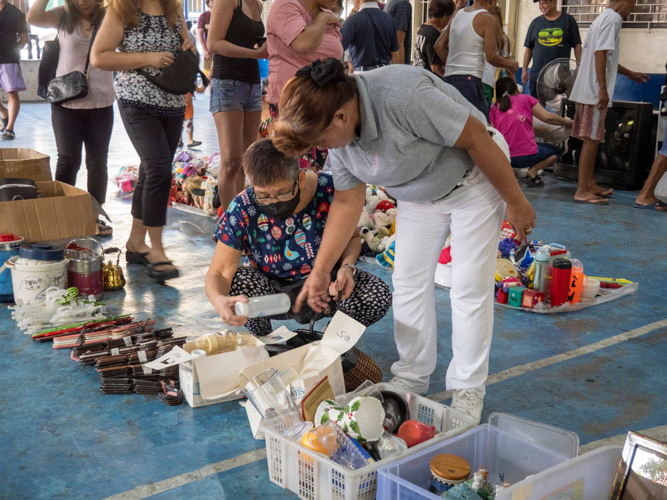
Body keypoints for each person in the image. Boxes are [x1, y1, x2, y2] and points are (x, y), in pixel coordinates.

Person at [273, 59, 537, 422]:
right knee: (408, 282)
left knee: (467, 288)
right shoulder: (341, 139)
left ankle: (467, 389)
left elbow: (477, 138)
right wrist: (320, 272)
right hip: (417, 193)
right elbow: (348, 202)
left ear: (340, 118)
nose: (321, 149)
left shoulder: (402, 95)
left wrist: (515, 200)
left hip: (474, 180)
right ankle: (412, 376)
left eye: (319, 140)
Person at [206, 138, 392, 336]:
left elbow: (353, 238)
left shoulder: (330, 191)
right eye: (263, 195)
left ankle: (332, 340)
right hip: (272, 296)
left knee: (376, 293)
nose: (273, 202)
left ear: (300, 179)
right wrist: (219, 300)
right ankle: (264, 342)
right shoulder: (243, 207)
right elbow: (218, 272)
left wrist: (347, 267)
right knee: (238, 282)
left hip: (324, 290)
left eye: (282, 193)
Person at [91, 0, 196, 281]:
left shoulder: (174, 9)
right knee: (160, 166)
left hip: (172, 100)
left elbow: (187, 44)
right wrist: (148, 58)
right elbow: (99, 56)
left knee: (152, 170)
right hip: (136, 99)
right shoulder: (121, 10)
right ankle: (157, 249)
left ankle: (137, 244)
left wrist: (189, 46)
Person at [27, 0, 115, 236]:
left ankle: (95, 217)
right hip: (66, 102)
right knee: (68, 160)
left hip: (102, 101)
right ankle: (61, 213)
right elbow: (32, 18)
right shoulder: (62, 15)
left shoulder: (112, 16)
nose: (82, 2)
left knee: (97, 163)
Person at [568, 0, 648, 205]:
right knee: (591, 140)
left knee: (592, 138)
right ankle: (582, 190)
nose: (633, 10)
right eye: (633, 5)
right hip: (594, 92)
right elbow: (600, 54)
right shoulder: (613, 19)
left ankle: (589, 184)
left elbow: (605, 56)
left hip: (587, 89)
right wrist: (602, 89)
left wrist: (630, 74)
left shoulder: (602, 18)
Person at [265, 0, 343, 170]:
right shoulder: (286, 4)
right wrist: (322, 19)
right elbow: (304, 44)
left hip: (323, 102)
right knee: (295, 171)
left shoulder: (324, 11)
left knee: (318, 170)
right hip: (293, 104)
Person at [207, 0, 266, 213]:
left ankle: (238, 220)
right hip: (227, 83)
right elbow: (213, 44)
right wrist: (256, 54)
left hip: (252, 84)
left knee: (245, 160)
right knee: (231, 160)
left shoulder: (258, 5)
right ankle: (230, 225)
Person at [435, 0, 519, 119]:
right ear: (492, 1)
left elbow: (438, 46)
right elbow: (491, 57)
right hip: (469, 80)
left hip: (449, 78)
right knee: (480, 124)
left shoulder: (457, 15)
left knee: (453, 121)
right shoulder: (488, 19)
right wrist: (511, 64)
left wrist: (453, 65)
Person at [490, 77, 573, 187]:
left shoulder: (493, 108)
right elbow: (548, 117)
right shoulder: (525, 99)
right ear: (516, 89)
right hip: (526, 156)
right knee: (557, 152)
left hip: (504, 156)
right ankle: (533, 171)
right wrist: (570, 123)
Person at [522, 0, 581, 99]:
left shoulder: (568, 21)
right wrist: (524, 69)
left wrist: (579, 65)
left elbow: (577, 45)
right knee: (538, 109)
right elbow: (529, 49)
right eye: (539, 4)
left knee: (560, 109)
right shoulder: (535, 23)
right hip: (537, 76)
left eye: (544, 3)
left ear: (554, 1)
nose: (541, 6)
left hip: (561, 78)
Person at [342, 0, 400, 72]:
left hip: (362, 75)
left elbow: (339, 49)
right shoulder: (389, 19)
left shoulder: (352, 20)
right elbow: (395, 53)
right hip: (385, 73)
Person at [0, 0, 29, 141]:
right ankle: (4, 112)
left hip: (8, 59)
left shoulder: (17, 13)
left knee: (12, 92)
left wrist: (12, 52)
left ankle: (10, 128)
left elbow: (24, 39)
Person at [413, 0, 455, 77]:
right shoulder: (434, 33)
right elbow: (436, 67)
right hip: (429, 79)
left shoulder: (423, 28)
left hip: (419, 74)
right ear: (445, 16)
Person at [481, 6, 511, 107]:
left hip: (471, 78)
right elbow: (509, 68)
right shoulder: (502, 38)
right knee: (483, 117)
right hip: (485, 80)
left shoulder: (477, 33)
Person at [384, 0, 411, 64]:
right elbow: (398, 42)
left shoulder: (390, 3)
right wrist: (400, 71)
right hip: (397, 66)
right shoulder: (403, 4)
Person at [198, 0, 215, 76]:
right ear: (208, 2)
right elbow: (200, 34)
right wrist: (205, 50)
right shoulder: (203, 16)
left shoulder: (222, 15)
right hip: (208, 53)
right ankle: (208, 87)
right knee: (207, 75)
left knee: (217, 75)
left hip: (220, 53)